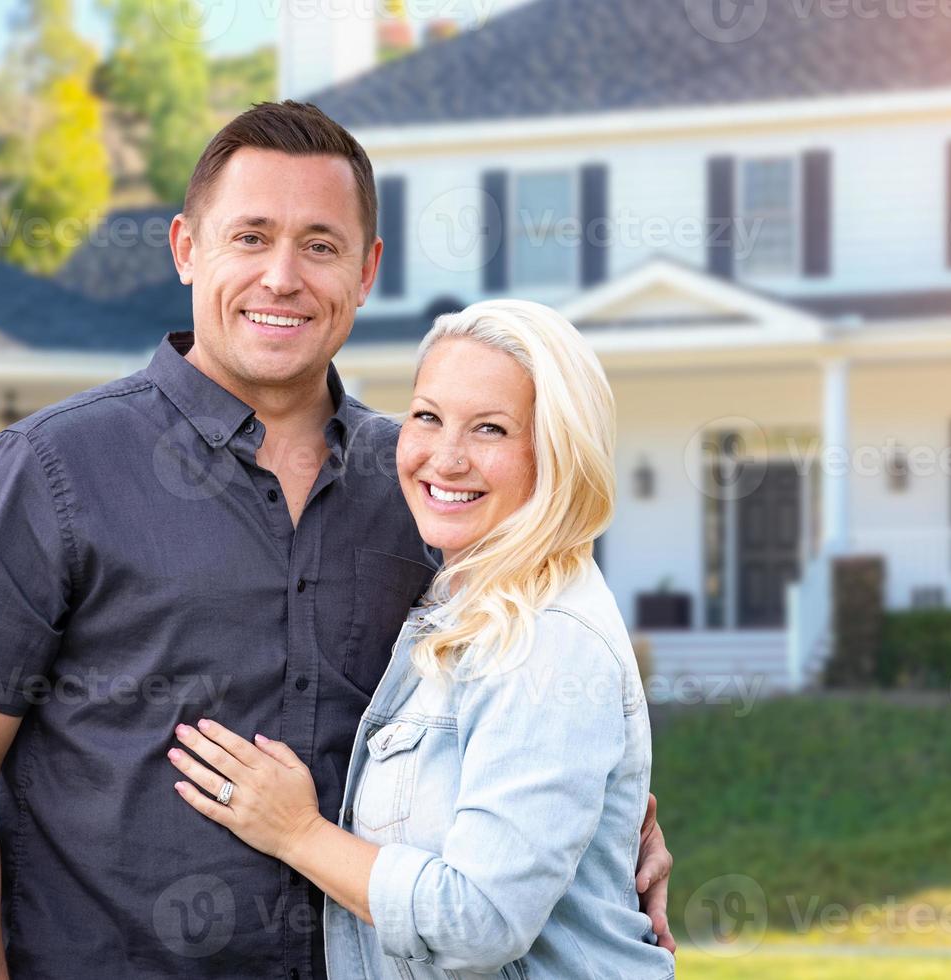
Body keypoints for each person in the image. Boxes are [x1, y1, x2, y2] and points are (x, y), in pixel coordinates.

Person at [0, 101, 674, 980]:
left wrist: (612, 827)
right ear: (187, 248)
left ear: (366, 269)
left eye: (318, 244)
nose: (282, 276)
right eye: (250, 237)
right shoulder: (55, 468)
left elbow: (517, 710)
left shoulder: (427, 484)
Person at [166, 299, 677, 978]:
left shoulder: (545, 639)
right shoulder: (460, 602)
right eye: (428, 417)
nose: (446, 457)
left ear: (557, 450)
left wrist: (296, 832)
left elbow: (481, 922)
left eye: (490, 429)